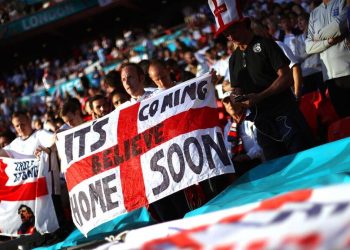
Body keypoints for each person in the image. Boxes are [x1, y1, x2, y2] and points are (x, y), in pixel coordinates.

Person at [208, 0, 314, 160]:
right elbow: (238, 89)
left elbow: (286, 77)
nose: (229, 36)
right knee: (278, 170)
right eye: (225, 33)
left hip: (285, 114)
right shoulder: (233, 59)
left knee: (305, 159)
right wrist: (236, 97)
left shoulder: (266, 44)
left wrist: (260, 96)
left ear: (243, 24)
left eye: (232, 30)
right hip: (263, 124)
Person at [305, 0, 350, 118]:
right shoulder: (314, 13)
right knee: (343, 117)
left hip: (347, 68)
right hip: (329, 76)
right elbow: (309, 47)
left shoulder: (342, 2)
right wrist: (329, 41)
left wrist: (317, 36)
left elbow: (340, 26)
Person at [222, 90, 264, 176]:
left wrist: (248, 156)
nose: (230, 104)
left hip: (257, 161)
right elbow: (228, 150)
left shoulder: (252, 116)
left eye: (232, 101)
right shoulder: (228, 126)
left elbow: (262, 144)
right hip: (240, 164)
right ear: (225, 107)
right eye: (226, 102)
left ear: (240, 102)